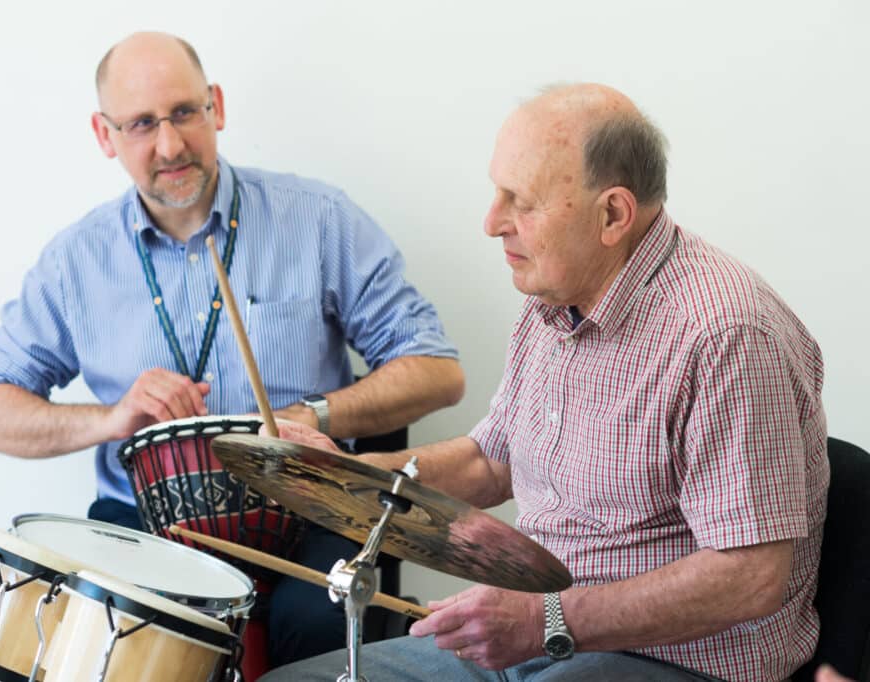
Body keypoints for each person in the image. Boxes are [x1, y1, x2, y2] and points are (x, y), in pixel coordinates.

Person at [261, 83, 828, 681]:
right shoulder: (555, 294)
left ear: (612, 214)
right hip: (544, 636)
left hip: (674, 659)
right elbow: (491, 462)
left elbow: (751, 576)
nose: (491, 222)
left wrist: (546, 622)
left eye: (521, 201)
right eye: (495, 192)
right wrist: (347, 477)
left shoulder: (726, 335)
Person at [0, 31, 464, 667]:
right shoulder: (77, 261)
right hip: (149, 519)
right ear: (104, 134)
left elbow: (438, 372)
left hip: (308, 503)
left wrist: (313, 417)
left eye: (184, 113)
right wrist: (112, 420)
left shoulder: (317, 220)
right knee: (107, 636)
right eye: (142, 124)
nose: (170, 145)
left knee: (319, 625)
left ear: (216, 106)